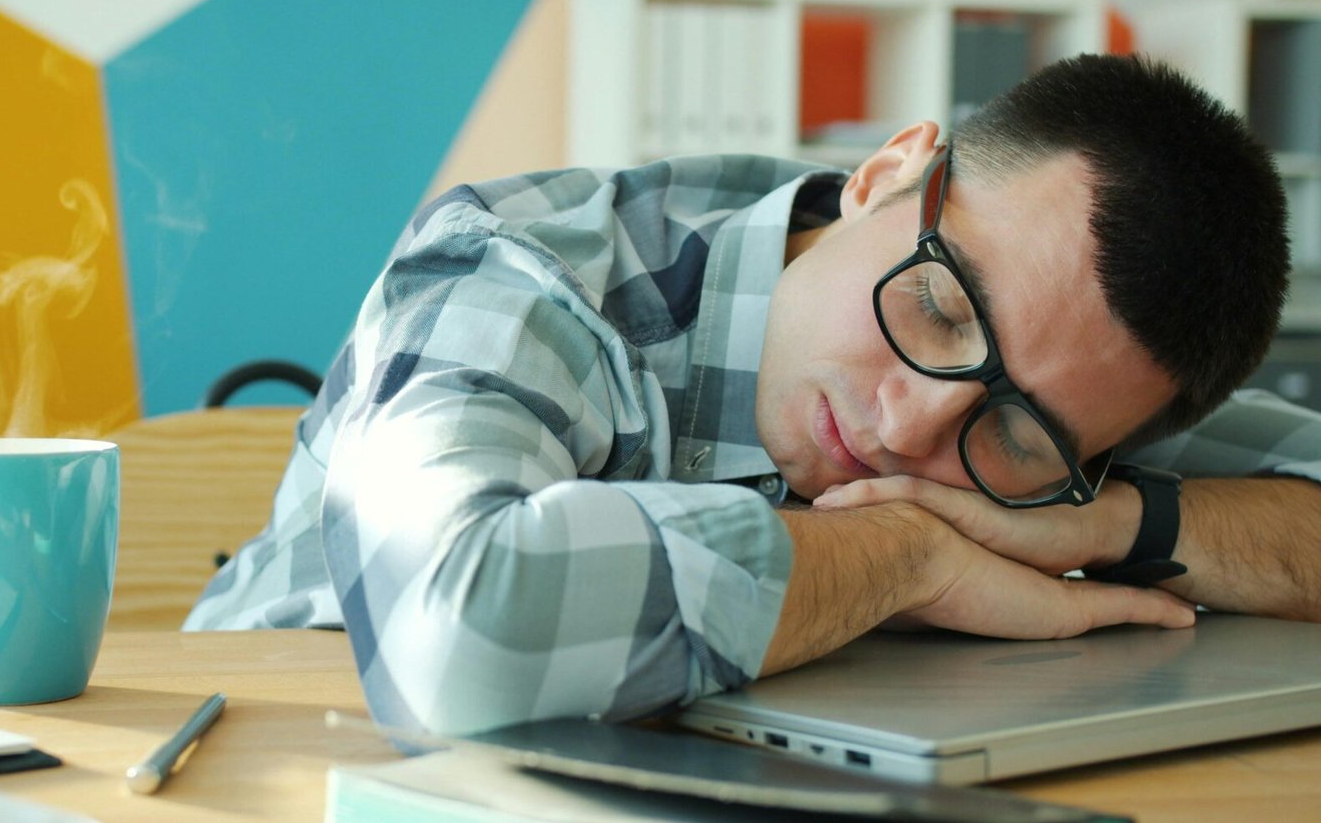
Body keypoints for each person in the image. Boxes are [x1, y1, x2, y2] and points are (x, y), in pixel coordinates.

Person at [186, 54, 1319, 736]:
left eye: (1014, 432)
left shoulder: (1079, 377)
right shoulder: (525, 268)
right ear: (885, 173)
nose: (912, 425)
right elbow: (453, 629)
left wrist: (1112, 520)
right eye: (937, 309)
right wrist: (908, 555)